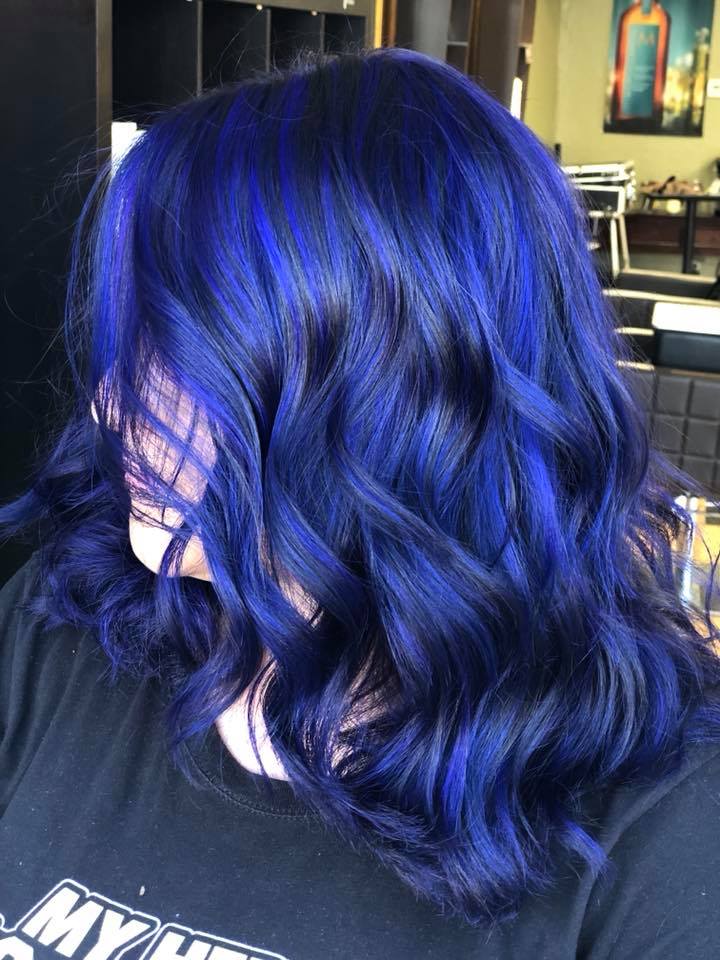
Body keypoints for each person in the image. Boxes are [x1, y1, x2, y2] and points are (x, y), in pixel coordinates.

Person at [1, 44, 720, 959]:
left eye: (176, 362)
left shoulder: (665, 823)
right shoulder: (62, 628)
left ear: (389, 396)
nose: (110, 408)